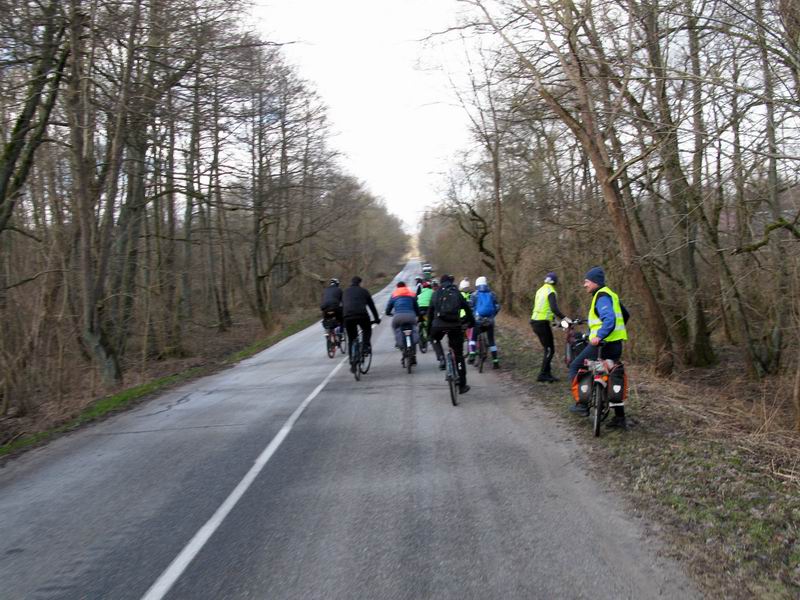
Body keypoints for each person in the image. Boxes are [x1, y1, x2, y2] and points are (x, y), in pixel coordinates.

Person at [568, 266, 629, 429]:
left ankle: (581, 404)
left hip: (602, 345)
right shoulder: (611, 294)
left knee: (576, 365)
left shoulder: (601, 297)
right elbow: (625, 315)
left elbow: (609, 319)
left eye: (587, 282)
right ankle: (619, 418)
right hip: (616, 345)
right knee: (613, 375)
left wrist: (599, 336)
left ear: (595, 282)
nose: (584, 285)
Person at [428, 274, 475, 394]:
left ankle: (442, 358)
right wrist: (471, 323)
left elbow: (430, 314)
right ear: (451, 282)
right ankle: (462, 385)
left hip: (438, 326)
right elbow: (467, 309)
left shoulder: (436, 293)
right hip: (455, 326)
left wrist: (429, 331)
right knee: (458, 355)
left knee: (434, 339)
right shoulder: (456, 293)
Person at [530, 272, 568, 382]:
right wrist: (565, 318)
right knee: (550, 350)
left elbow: (544, 309)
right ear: (555, 281)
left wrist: (556, 322)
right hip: (542, 323)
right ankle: (542, 374)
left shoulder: (540, 290)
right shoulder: (551, 291)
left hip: (536, 321)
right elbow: (554, 309)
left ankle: (547, 373)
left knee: (548, 349)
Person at [342, 276, 381, 370]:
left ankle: (352, 362)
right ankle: (365, 347)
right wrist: (376, 319)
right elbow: (372, 306)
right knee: (367, 329)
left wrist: (342, 320)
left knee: (351, 339)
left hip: (348, 317)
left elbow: (342, 306)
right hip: (361, 315)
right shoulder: (364, 291)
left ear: (351, 282)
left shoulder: (345, 292)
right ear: (360, 283)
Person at [468, 276, 501, 368]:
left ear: (477, 284)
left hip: (478, 321)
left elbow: (470, 307)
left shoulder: (474, 295)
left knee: (473, 338)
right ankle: (495, 361)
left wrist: (472, 316)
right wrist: (493, 315)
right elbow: (497, 307)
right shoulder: (492, 294)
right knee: (491, 341)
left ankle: (472, 354)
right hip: (490, 321)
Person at [385, 281, 421, 364]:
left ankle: (398, 342)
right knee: (414, 328)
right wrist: (418, 315)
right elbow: (416, 307)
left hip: (398, 317)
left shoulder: (394, 295)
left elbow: (388, 308)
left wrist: (388, 313)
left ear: (397, 287)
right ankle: (414, 351)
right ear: (405, 286)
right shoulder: (411, 294)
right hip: (411, 316)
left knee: (394, 327)